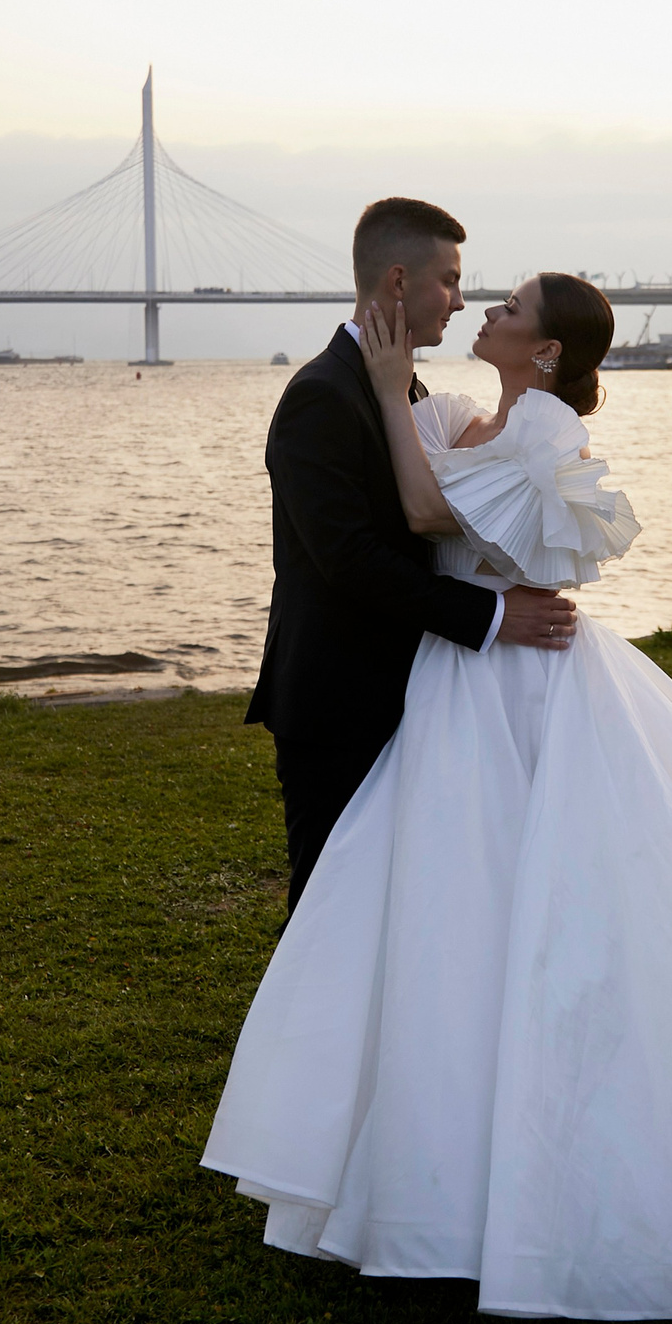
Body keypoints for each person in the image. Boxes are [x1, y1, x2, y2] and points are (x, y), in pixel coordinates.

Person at [206, 271, 672, 1319]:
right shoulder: (467, 410)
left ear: (546, 352)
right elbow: (416, 477)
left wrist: (382, 389)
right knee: (451, 916)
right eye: (479, 297)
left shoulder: (545, 429)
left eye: (507, 309)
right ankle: (429, 1161)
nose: (486, 314)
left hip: (515, 679)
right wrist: (392, 388)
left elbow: (425, 513)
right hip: (462, 682)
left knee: (554, 911)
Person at [246, 198, 580, 913]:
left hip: (421, 697)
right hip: (338, 703)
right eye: (450, 281)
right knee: (328, 906)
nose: (462, 302)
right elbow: (352, 561)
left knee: (408, 909)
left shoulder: (409, 390)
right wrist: (492, 615)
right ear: (398, 282)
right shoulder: (319, 397)